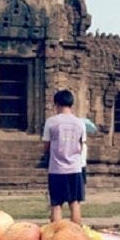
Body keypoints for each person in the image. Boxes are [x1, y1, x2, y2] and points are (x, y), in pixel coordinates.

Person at [42, 89, 87, 223]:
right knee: (74, 203)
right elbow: (81, 144)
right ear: (71, 104)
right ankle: (76, 236)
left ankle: (55, 237)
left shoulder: (51, 122)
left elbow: (46, 146)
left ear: (56, 104)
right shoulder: (80, 123)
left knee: (56, 204)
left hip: (56, 168)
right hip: (75, 168)